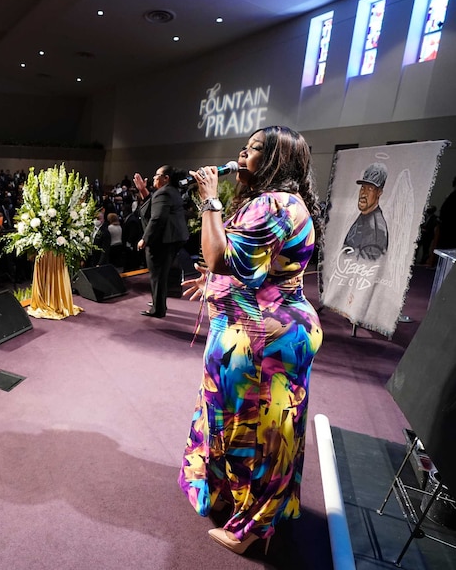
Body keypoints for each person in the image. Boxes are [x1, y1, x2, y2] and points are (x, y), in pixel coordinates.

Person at [179, 126, 323, 555]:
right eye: (243, 148)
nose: (242, 156)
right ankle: (232, 497)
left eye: (255, 150)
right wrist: (216, 284)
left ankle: (253, 529)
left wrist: (209, 198)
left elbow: (224, 258)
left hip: (264, 341)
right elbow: (255, 269)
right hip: (257, 328)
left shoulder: (274, 204)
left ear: (278, 161)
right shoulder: (272, 203)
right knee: (244, 423)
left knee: (258, 433)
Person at [133, 166, 189, 318]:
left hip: (163, 241)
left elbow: (157, 218)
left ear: (166, 178)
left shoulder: (164, 193)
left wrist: (145, 238)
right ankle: (158, 303)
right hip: (173, 239)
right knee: (161, 274)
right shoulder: (171, 191)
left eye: (157, 175)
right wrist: (142, 190)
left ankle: (158, 309)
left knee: (157, 275)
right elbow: (153, 206)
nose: (154, 178)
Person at [342, 162, 389, 260]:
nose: (364, 193)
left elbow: (367, 267)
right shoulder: (364, 216)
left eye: (370, 189)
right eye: (363, 187)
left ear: (379, 192)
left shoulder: (376, 228)